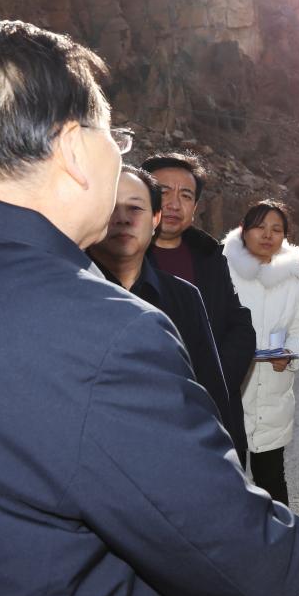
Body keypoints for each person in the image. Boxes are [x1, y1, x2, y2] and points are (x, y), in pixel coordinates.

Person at [0, 19, 299, 596]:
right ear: (73, 148)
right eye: (115, 137)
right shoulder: (103, 334)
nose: (119, 157)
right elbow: (252, 564)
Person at [88, 165, 231, 436]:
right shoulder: (67, 292)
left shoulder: (185, 297)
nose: (123, 218)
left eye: (135, 208)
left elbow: (211, 396)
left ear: (155, 219)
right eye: (112, 207)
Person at [142, 150, 255, 457]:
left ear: (195, 207)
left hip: (212, 417)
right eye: (163, 192)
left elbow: (238, 324)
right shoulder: (119, 256)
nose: (173, 204)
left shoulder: (210, 256)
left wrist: (214, 381)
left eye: (186, 195)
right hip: (146, 415)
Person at [222, 200, 299, 507]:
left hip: (273, 393)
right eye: (259, 227)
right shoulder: (222, 272)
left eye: (276, 229)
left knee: (272, 480)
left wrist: (289, 354)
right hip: (231, 390)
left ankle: (279, 535)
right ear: (243, 230)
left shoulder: (293, 281)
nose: (267, 235)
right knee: (226, 481)